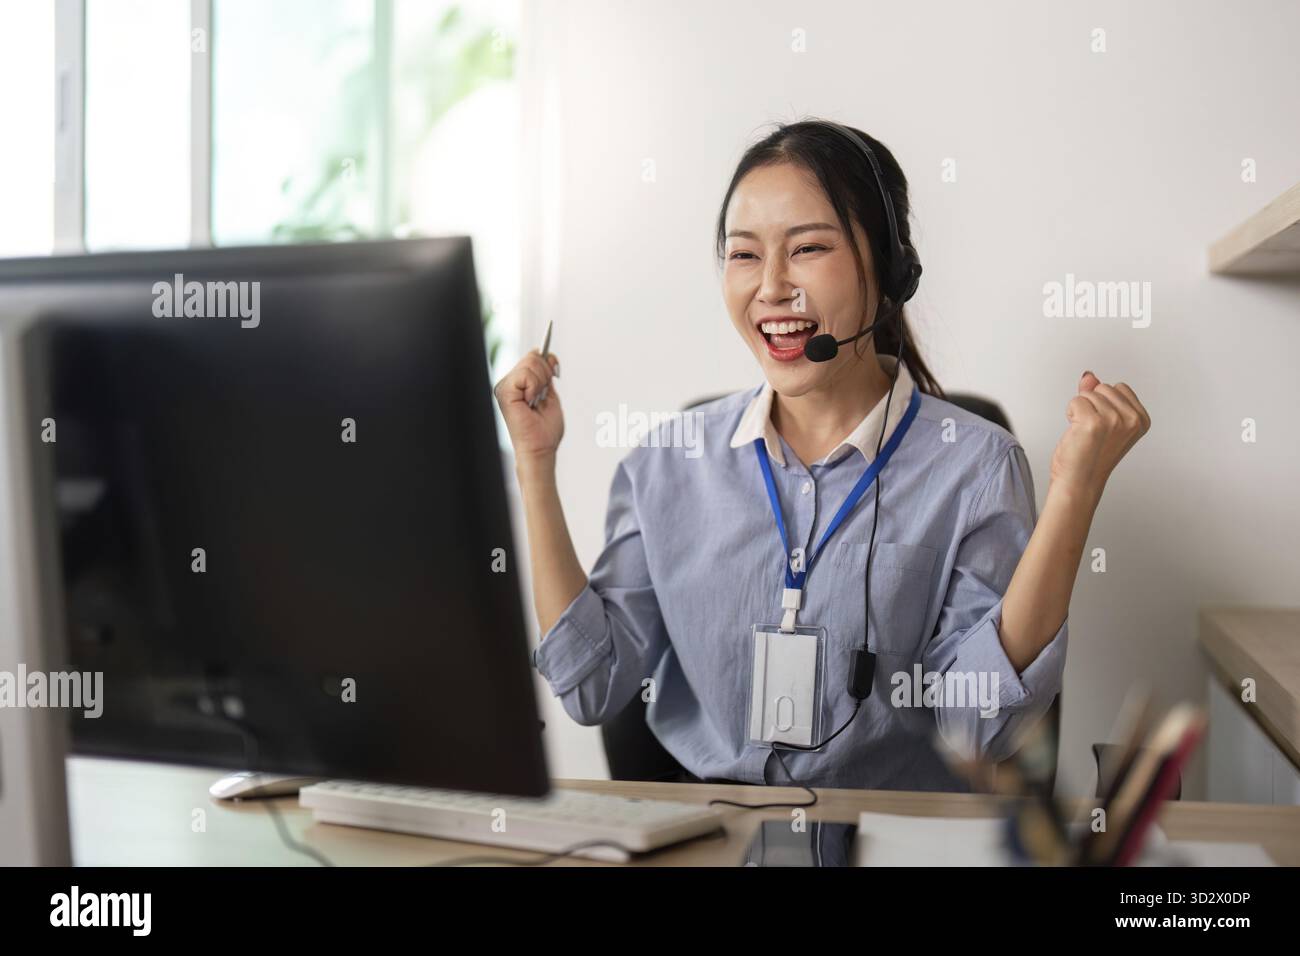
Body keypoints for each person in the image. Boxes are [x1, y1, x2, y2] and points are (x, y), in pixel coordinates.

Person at [494, 120, 1150, 791]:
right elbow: (592, 686)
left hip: (892, 842)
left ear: (891, 271)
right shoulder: (666, 465)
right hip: (715, 841)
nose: (772, 287)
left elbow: (976, 727)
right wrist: (534, 468)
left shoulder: (975, 468)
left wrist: (1075, 493)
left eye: (807, 248)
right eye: (745, 256)